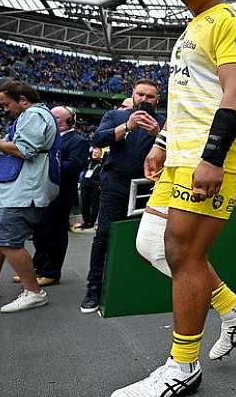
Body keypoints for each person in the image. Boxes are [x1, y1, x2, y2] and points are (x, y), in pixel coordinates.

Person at [112, 0, 236, 395]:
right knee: (150, 243)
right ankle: (234, 311)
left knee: (184, 255)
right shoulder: (188, 31)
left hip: (212, 158)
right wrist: (161, 144)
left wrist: (213, 156)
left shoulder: (231, 23)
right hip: (181, 157)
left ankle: (182, 367)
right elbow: (187, 100)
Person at [81, 78, 164, 313]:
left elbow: (177, 148)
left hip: (149, 189)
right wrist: (127, 126)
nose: (145, 100)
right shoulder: (115, 116)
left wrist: (158, 133)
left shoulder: (165, 122)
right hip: (115, 185)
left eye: (150, 97)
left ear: (157, 100)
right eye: (140, 95)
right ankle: (93, 288)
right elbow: (98, 140)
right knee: (104, 235)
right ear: (133, 95)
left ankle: (136, 286)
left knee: (146, 238)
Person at [0, 81, 60, 312]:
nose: (5, 109)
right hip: (12, 191)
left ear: (23, 100)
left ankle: (34, 292)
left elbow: (23, 150)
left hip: (24, 191)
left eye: (7, 104)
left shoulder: (34, 114)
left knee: (7, 241)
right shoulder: (27, 116)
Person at [31, 106, 89, 285]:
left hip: (61, 195)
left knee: (55, 233)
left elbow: (73, 166)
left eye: (55, 118)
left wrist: (48, 161)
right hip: (42, 192)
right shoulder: (47, 139)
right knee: (39, 231)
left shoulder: (78, 141)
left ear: (69, 121)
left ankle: (51, 272)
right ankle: (37, 268)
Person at [76, 147, 104, 231]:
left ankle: (91, 222)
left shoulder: (102, 164)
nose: (95, 154)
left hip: (95, 187)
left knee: (94, 205)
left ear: (100, 154)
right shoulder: (88, 162)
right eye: (94, 152)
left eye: (97, 153)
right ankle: (86, 221)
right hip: (85, 186)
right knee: (85, 205)